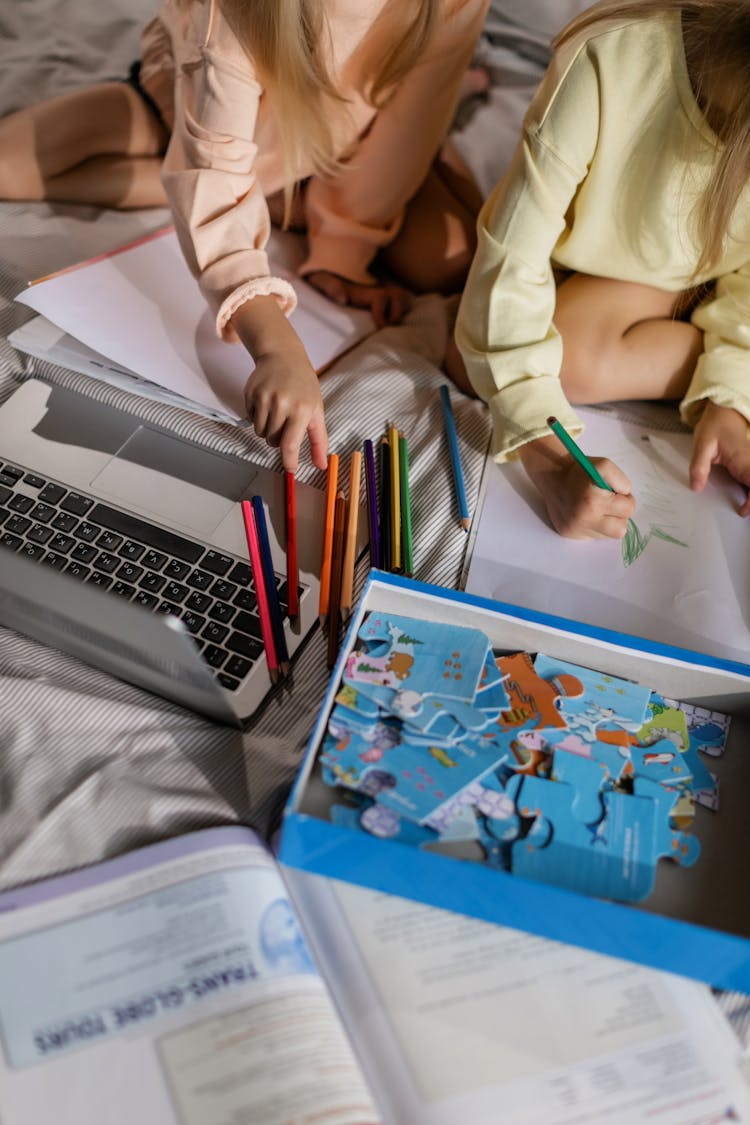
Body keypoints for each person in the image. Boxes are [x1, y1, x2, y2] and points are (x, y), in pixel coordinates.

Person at [0, 0, 489, 472]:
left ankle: (245, 187)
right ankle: (224, 182)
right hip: (193, 113)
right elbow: (213, 177)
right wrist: (276, 344)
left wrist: (344, 250)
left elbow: (406, 131)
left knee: (450, 260)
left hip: (337, 147)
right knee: (7, 168)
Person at [449, 0, 750, 540]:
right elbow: (513, 259)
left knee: (549, 356)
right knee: (450, 307)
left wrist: (729, 398)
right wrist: (547, 457)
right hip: (614, 263)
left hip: (698, 280)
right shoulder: (612, 54)